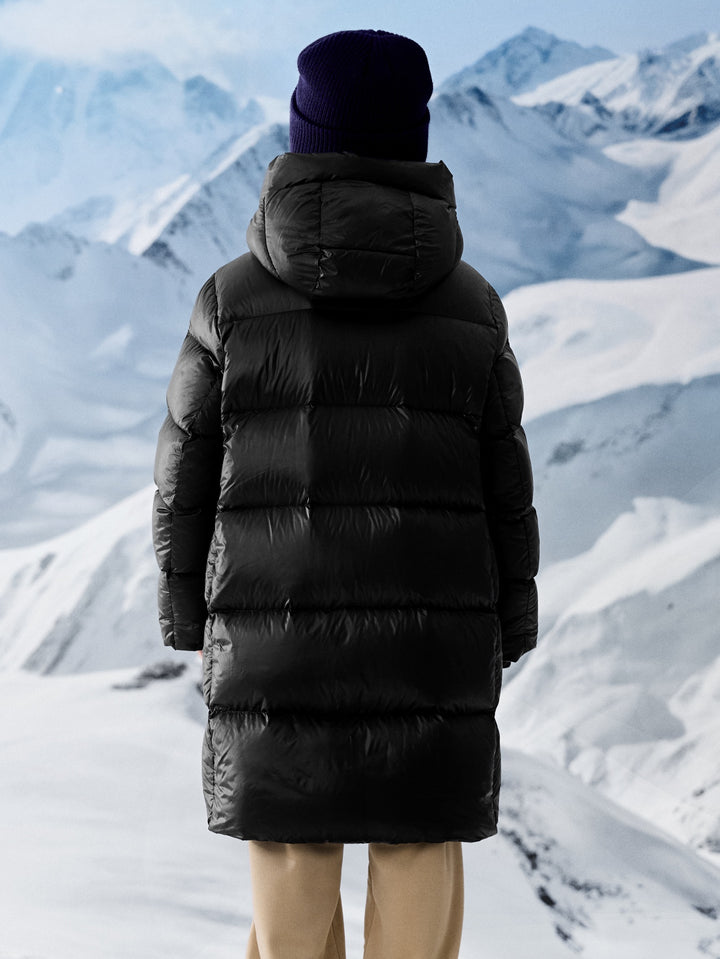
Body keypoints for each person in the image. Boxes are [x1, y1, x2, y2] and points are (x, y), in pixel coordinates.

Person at [151, 28, 539, 959]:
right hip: (430, 643)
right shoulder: (472, 307)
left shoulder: (230, 301)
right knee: (418, 842)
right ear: (416, 142)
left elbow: (184, 474)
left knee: (292, 848)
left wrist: (184, 610)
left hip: (273, 639)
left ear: (303, 138)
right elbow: (506, 484)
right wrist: (513, 617)